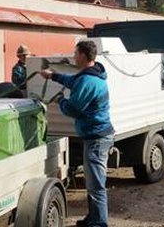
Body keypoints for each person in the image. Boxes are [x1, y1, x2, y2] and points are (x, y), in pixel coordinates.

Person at [40, 40, 114, 227]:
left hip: (96, 137)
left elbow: (74, 108)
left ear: (82, 55)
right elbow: (71, 81)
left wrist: (60, 101)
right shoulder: (90, 75)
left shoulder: (88, 81)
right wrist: (52, 76)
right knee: (92, 181)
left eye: (75, 53)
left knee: (96, 184)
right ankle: (94, 218)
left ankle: (99, 223)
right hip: (95, 135)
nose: (73, 57)